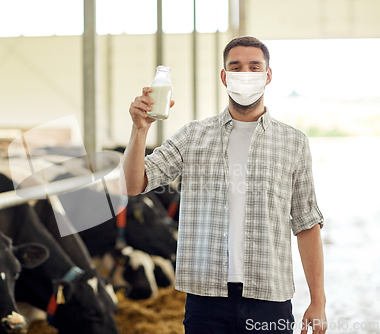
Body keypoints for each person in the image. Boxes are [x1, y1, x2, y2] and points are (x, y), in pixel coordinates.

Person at [120, 36, 326, 334]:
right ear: (223, 76)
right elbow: (133, 184)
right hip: (206, 299)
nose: (245, 74)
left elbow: (307, 223)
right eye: (236, 67)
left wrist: (317, 300)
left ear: (268, 76)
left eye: (254, 67)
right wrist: (140, 130)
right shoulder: (193, 136)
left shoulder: (293, 142)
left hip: (269, 296)